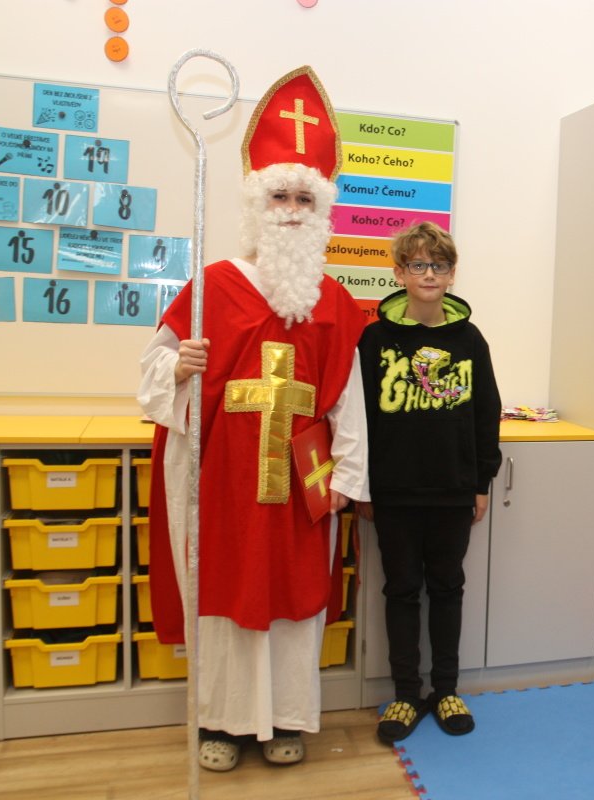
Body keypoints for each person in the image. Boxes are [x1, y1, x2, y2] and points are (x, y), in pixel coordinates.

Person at [137, 66, 368, 772]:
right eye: (280, 195)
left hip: (301, 482)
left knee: (294, 600)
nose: (292, 209)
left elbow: (350, 398)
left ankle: (286, 719)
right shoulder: (212, 286)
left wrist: (346, 477)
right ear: (257, 203)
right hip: (225, 481)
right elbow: (152, 370)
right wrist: (179, 368)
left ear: (320, 210)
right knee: (225, 597)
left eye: (305, 197)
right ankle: (222, 722)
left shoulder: (333, 301)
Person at [355, 221, 502, 744]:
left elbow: (486, 412)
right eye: (417, 264)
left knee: (447, 588)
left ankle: (445, 690)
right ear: (399, 273)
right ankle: (404, 694)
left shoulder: (469, 339)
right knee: (400, 590)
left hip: (453, 489)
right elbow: (358, 417)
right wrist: (362, 486)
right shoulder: (374, 339)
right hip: (393, 491)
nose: (429, 274)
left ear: (452, 273)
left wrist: (481, 482)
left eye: (438, 265)